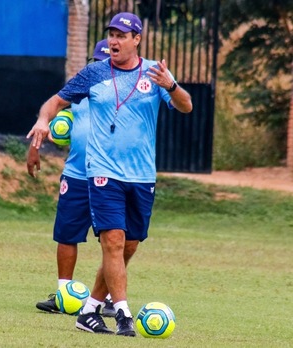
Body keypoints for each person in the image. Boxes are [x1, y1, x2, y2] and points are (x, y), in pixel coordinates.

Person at [26, 12, 192, 337]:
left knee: (128, 246)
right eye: (111, 35)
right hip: (102, 172)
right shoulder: (94, 72)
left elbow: (186, 106)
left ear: (137, 40)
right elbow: (54, 101)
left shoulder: (154, 73)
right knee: (112, 242)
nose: (114, 41)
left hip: (142, 176)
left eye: (121, 35)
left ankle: (88, 310)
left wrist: (171, 86)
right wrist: (44, 120)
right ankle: (124, 314)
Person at [28, 40, 115, 317]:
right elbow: (54, 113)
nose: (102, 67)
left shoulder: (124, 93)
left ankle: (109, 298)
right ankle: (64, 294)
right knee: (66, 235)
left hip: (111, 175)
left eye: (107, 62)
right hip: (76, 174)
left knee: (112, 239)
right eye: (98, 61)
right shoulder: (79, 88)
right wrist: (35, 148)